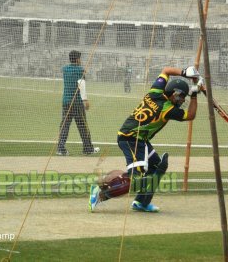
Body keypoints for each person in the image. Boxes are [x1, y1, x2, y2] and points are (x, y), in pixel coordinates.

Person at [89, 66, 203, 212]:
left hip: (139, 139)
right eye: (182, 97)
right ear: (175, 94)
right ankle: (100, 194)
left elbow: (166, 70)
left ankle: (141, 202)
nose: (182, 100)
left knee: (156, 168)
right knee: (135, 180)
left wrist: (184, 72)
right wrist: (194, 94)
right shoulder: (168, 109)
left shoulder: (155, 92)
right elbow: (191, 115)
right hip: (131, 138)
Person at [57, 50, 100, 156]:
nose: (81, 60)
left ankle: (60, 149)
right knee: (83, 126)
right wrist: (85, 100)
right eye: (80, 58)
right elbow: (82, 85)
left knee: (64, 126)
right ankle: (87, 149)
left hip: (66, 102)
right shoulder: (80, 70)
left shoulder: (65, 69)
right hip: (76, 103)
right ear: (77, 59)